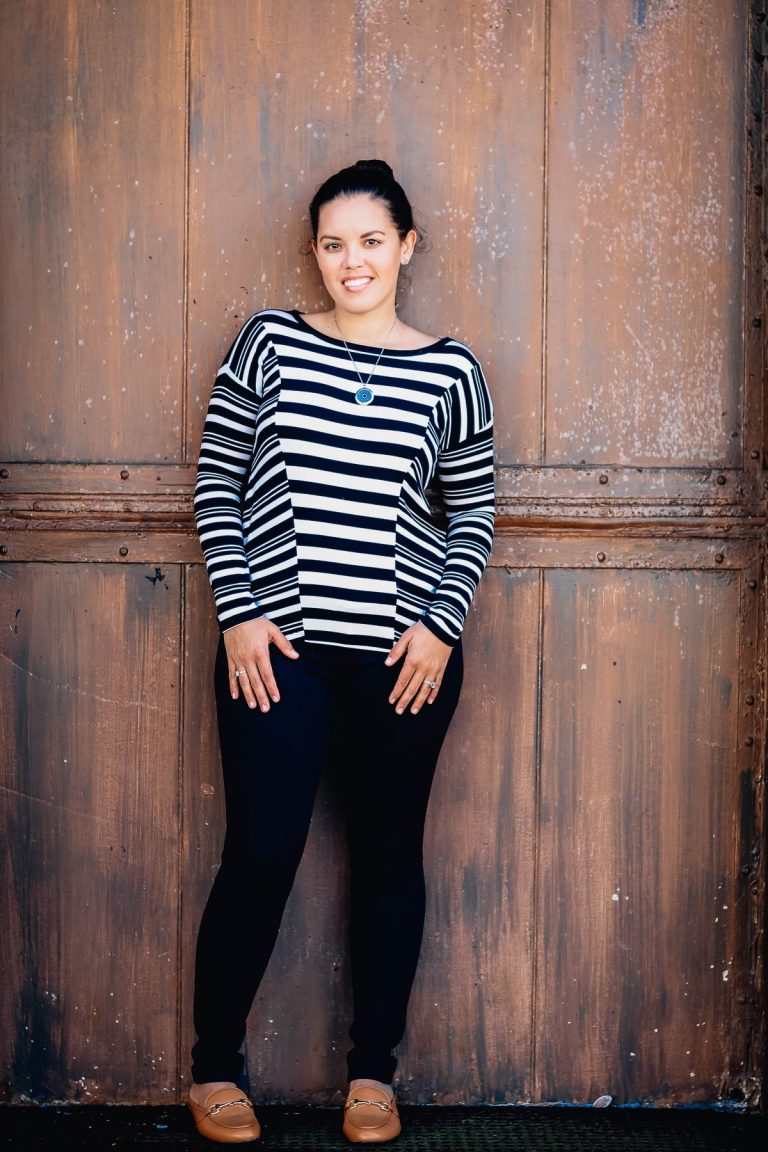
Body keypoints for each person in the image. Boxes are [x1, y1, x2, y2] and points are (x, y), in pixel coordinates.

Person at [187, 159, 495, 1144]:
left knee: (389, 859)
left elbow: (472, 512)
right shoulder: (270, 342)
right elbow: (217, 482)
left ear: (406, 246)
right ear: (314, 254)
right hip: (276, 652)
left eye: (370, 240)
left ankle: (373, 1076)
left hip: (402, 659)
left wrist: (441, 627)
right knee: (261, 851)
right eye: (332, 243)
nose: (350, 261)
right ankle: (213, 1069)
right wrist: (239, 613)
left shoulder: (452, 371)